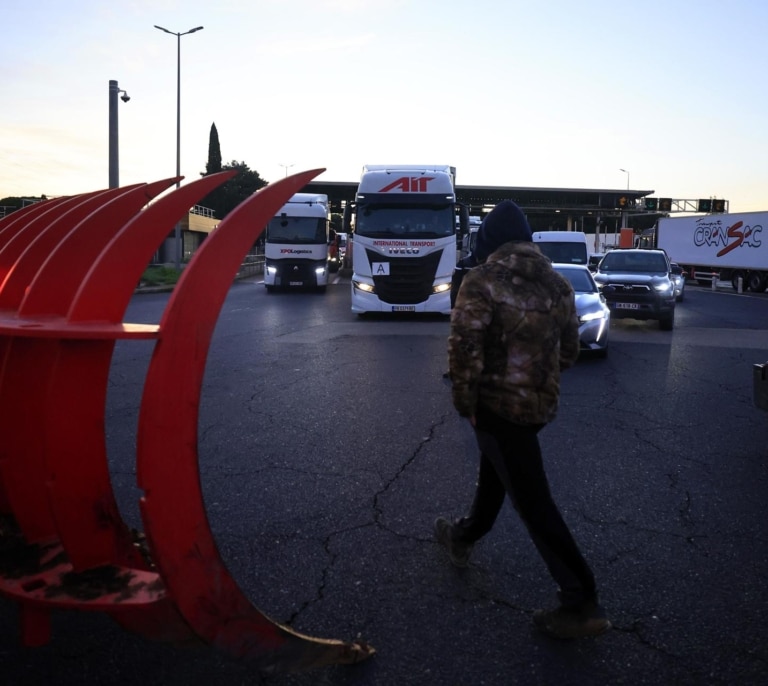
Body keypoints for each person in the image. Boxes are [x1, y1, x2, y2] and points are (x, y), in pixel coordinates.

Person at [437, 200, 611, 640]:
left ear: (489, 241)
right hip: (537, 409)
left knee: (533, 501)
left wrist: (466, 404)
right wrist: (536, 381)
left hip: (496, 409)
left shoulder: (481, 281)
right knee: (498, 475)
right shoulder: (558, 285)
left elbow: (464, 352)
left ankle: (580, 599)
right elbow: (569, 351)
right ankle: (463, 535)